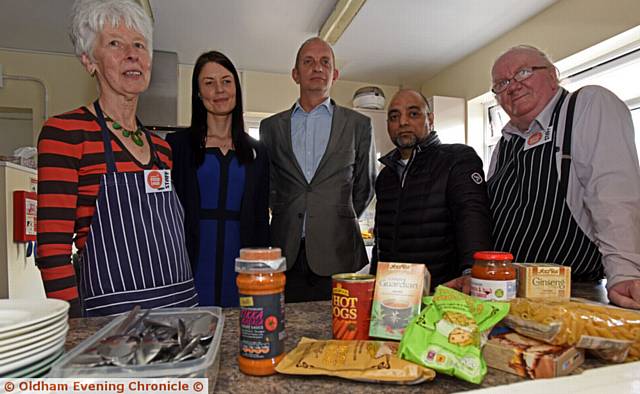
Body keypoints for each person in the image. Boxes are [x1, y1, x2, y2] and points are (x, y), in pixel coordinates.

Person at [36, 0, 198, 317]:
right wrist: (73, 327)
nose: (132, 54)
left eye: (140, 44)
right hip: (110, 320)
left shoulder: (161, 149)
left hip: (180, 310)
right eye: (115, 43)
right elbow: (52, 249)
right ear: (89, 61)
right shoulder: (66, 133)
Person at [487, 45, 640, 308]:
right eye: (502, 83)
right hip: (506, 292)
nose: (512, 87)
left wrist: (625, 273)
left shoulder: (586, 105)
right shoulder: (503, 144)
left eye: (523, 73)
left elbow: (614, 197)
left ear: (552, 74)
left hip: (571, 294)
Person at [259, 37, 376, 302]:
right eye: (308, 61)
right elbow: (268, 184)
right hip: (285, 251)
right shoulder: (271, 127)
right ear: (295, 74)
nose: (317, 68)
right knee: (287, 330)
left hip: (339, 249)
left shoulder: (359, 124)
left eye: (325, 62)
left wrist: (334, 216)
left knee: (340, 335)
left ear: (334, 74)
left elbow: (365, 185)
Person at [167, 51, 269, 307]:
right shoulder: (177, 146)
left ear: (236, 87)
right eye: (209, 83)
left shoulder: (258, 151)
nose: (219, 90)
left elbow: (260, 220)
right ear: (198, 94)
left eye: (226, 81)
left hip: (243, 267)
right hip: (191, 263)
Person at [371, 89, 492, 289]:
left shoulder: (457, 159)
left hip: (443, 291)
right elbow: (381, 240)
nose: (403, 122)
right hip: (393, 294)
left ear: (430, 118)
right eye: (394, 117)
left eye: (413, 113)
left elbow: (472, 216)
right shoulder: (386, 176)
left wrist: (472, 272)